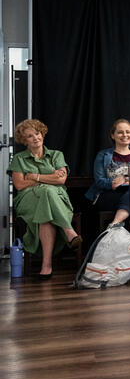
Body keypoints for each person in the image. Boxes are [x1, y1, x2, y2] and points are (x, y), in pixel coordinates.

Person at [8, 118, 82, 279]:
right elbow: (19, 185)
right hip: (28, 200)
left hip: (57, 199)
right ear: (24, 140)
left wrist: (34, 177)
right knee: (48, 191)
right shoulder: (19, 158)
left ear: (42, 133)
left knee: (46, 208)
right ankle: (68, 231)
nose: (35, 138)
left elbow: (61, 180)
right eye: (30, 136)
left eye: (37, 133)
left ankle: (46, 266)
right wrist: (50, 177)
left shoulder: (56, 155)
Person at [84, 118, 130, 227]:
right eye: (120, 132)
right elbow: (99, 181)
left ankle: (115, 224)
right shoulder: (103, 155)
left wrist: (126, 178)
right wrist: (112, 183)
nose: (125, 135)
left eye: (128, 132)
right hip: (110, 194)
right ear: (112, 135)